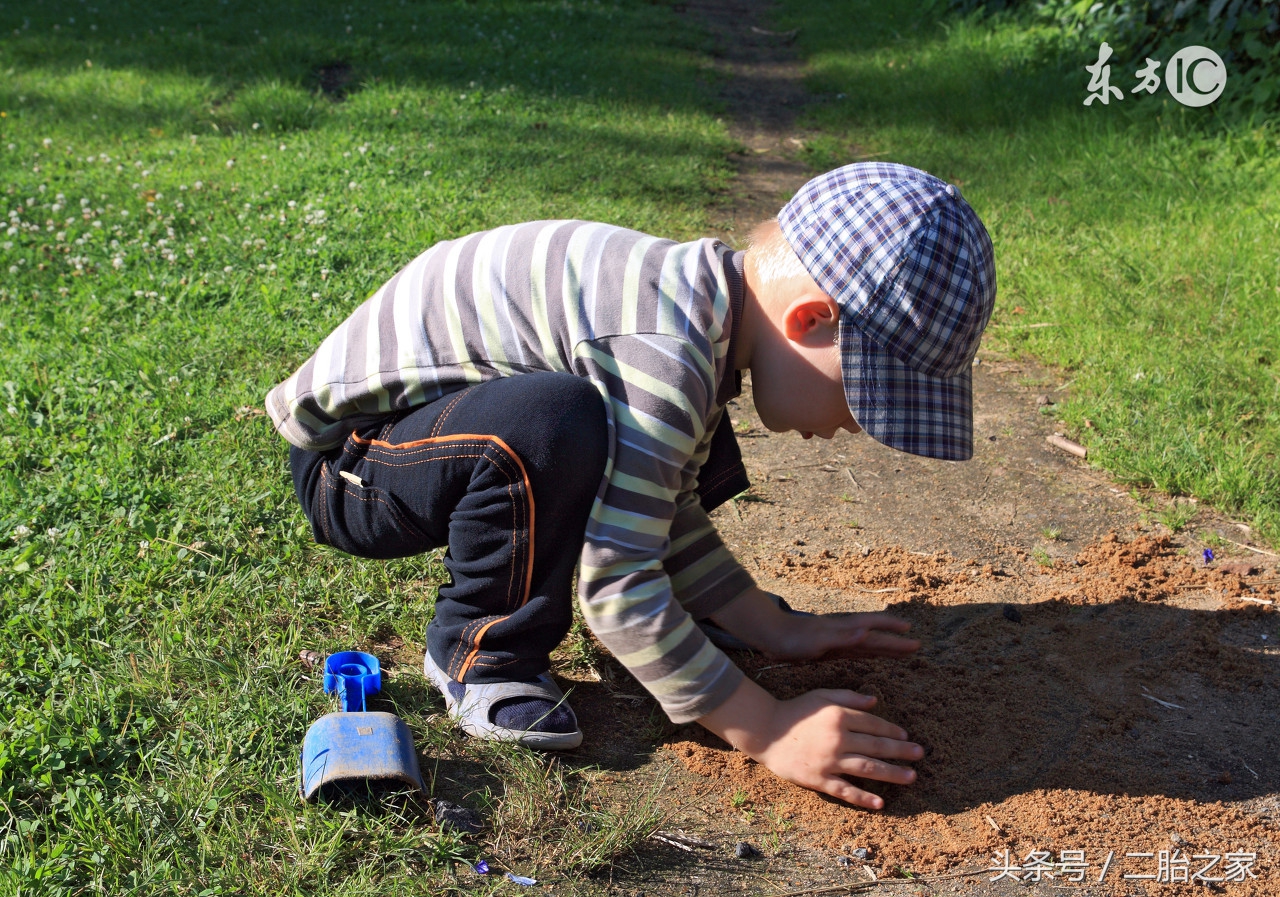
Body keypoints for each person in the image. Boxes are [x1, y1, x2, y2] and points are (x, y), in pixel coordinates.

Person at [266, 162, 996, 809]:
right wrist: (766, 725)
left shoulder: (701, 315)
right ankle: (478, 653)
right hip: (352, 464)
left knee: (635, 444)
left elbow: (662, 502)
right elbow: (618, 585)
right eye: (864, 398)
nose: (854, 427)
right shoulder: (668, 350)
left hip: (424, 438)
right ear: (811, 320)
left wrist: (771, 627)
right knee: (559, 422)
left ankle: (618, 624)